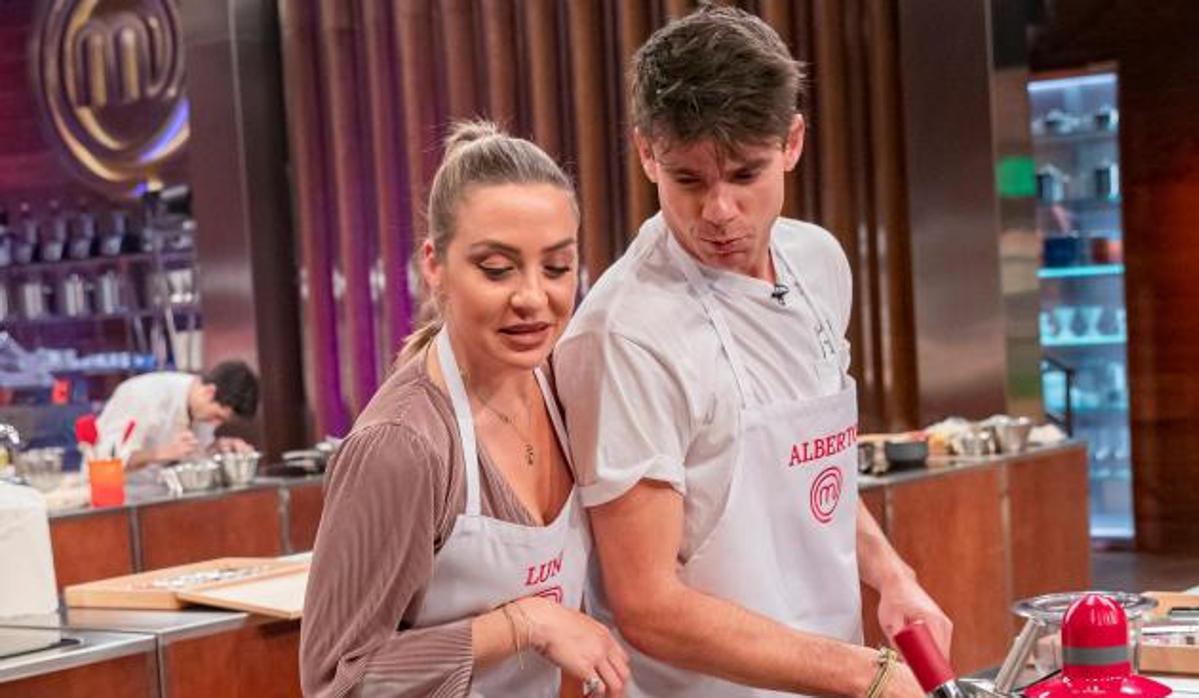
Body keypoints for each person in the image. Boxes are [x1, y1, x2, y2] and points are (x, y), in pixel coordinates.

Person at [553, 6, 952, 697]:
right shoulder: (626, 334)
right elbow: (646, 605)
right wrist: (863, 673)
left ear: (792, 140)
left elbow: (807, 476)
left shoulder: (818, 263)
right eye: (687, 180)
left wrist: (891, 576)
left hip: (832, 673)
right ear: (647, 151)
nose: (719, 212)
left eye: (745, 174)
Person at [300, 122, 630, 698]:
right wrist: (523, 624)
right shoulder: (402, 444)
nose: (532, 297)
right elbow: (337, 678)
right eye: (497, 269)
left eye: (556, 268)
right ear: (434, 264)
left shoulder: (565, 390)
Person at [95, 360, 258, 469]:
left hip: (163, 500)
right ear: (209, 392)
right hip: (121, 501)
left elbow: (191, 459)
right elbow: (105, 460)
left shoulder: (198, 408)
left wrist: (216, 449)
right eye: (217, 416)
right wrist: (160, 453)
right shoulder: (144, 395)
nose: (215, 424)